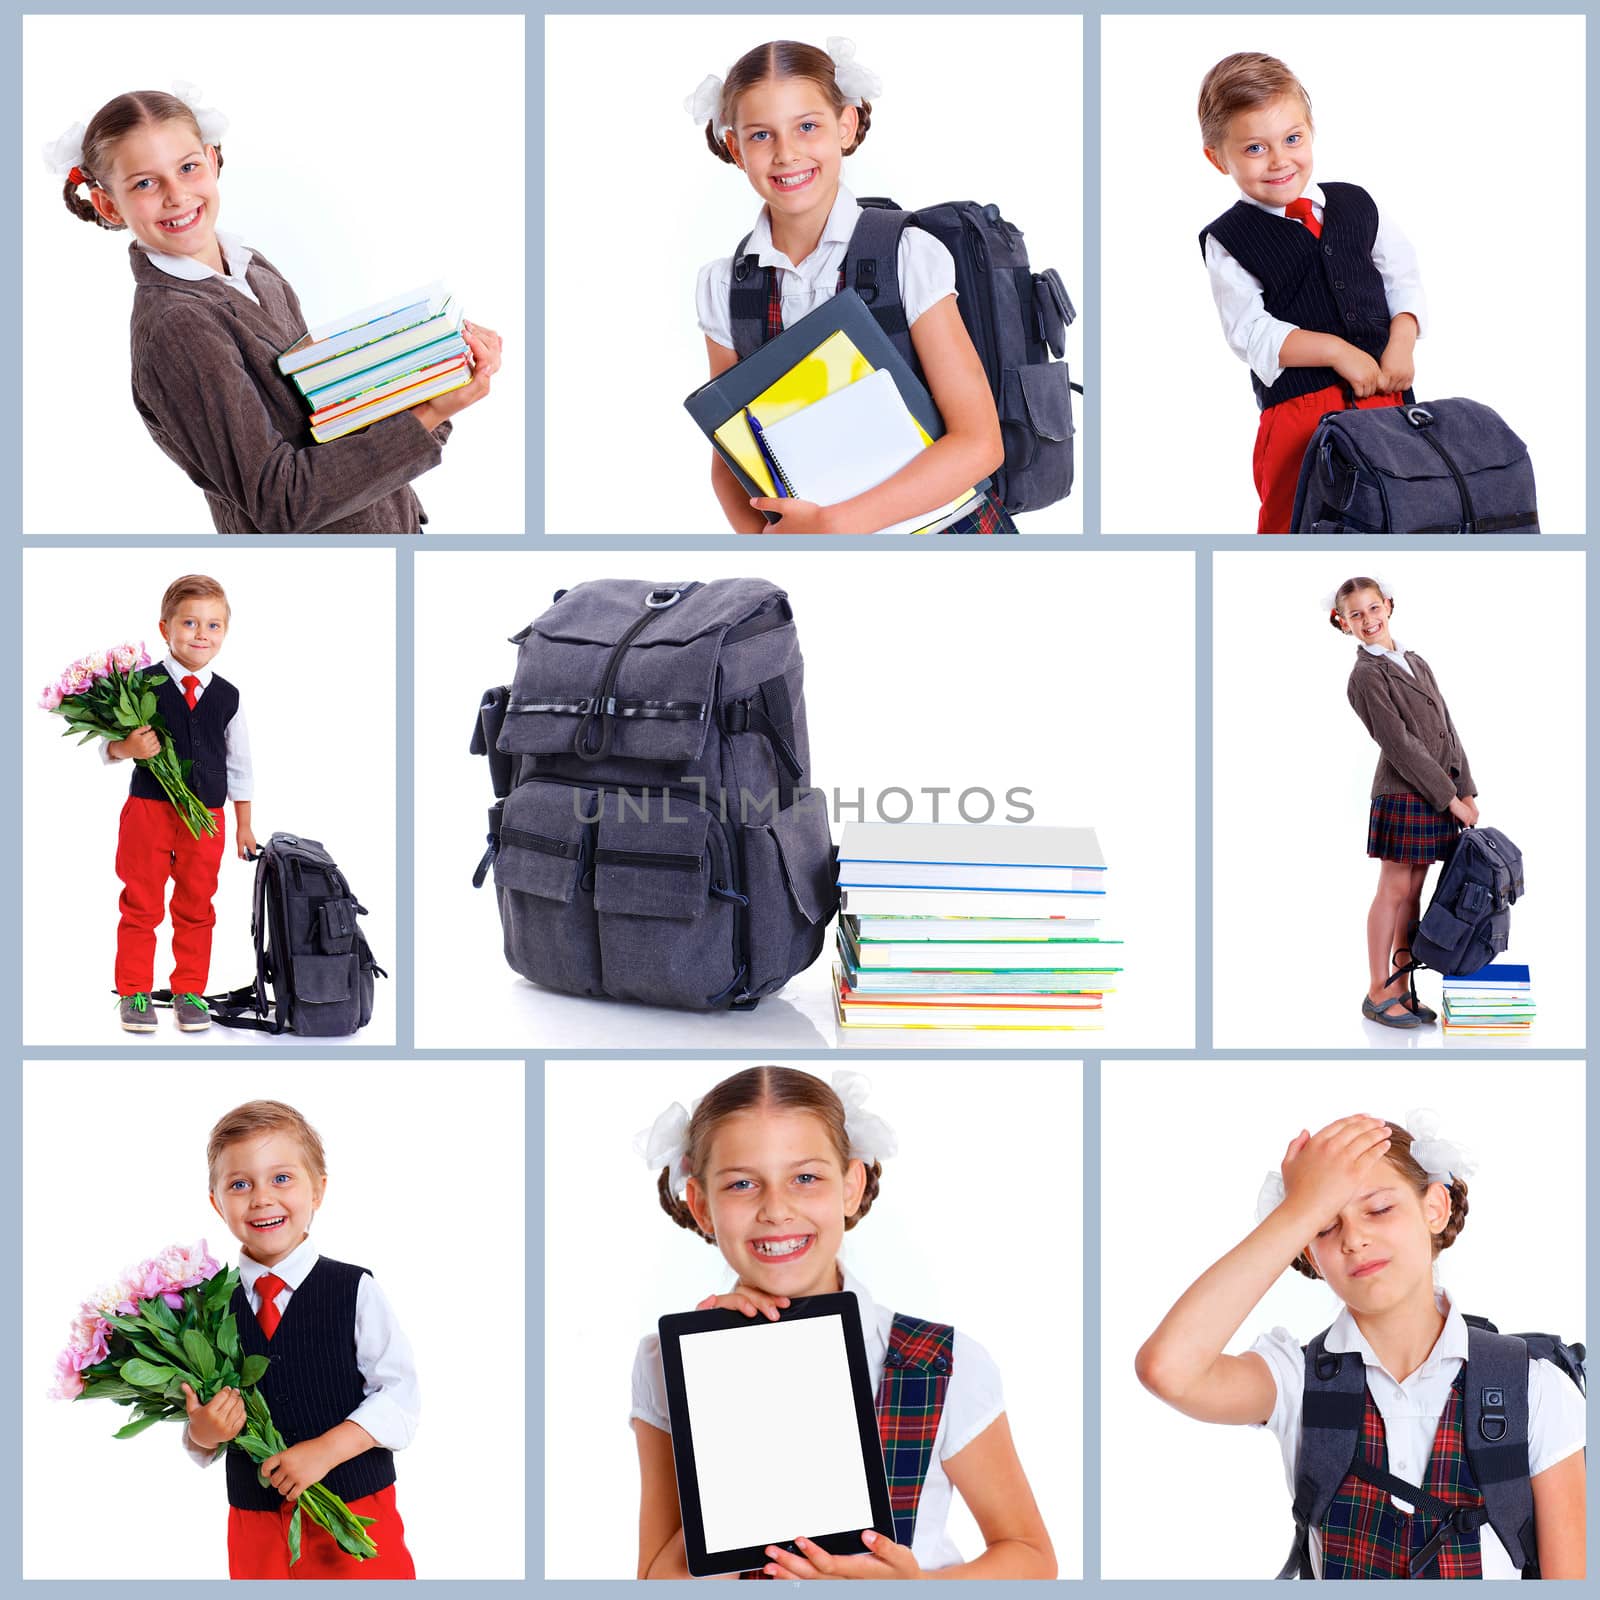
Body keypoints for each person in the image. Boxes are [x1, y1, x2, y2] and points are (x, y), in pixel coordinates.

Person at [629, 1066, 1056, 1578]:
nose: (776, 1209)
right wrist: (716, 1390)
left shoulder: (937, 1362)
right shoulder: (663, 1363)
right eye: (742, 1184)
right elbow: (656, 1579)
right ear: (701, 1205)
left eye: (805, 1178)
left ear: (851, 1187)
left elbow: (1029, 1555)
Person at [1136, 1113, 1586, 1578]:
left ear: (1434, 1208)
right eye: (1326, 1227)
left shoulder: (1533, 1390)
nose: (1354, 1238)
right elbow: (1169, 1369)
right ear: (1308, 1250)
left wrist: (1313, 1210)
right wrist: (1300, 1210)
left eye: (1378, 1209)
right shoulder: (1296, 1382)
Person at [48, 86, 502, 533]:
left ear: (212, 160)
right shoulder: (176, 326)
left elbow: (329, 408)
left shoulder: (253, 268)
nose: (176, 195)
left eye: (187, 167)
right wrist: (429, 415)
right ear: (109, 205)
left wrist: (435, 365)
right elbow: (280, 502)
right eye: (145, 182)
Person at [691, 39, 1008, 534]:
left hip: (955, 531)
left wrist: (835, 526)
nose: (786, 153)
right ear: (734, 147)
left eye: (807, 126)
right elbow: (729, 461)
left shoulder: (906, 255)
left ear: (847, 124)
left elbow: (980, 443)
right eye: (760, 136)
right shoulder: (723, 287)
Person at [183, 1099, 420, 1578]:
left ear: (318, 1190)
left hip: (355, 1517)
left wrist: (327, 1449)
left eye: (282, 1178)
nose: (262, 1197)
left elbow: (399, 1395)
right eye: (240, 1184)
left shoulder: (355, 1290)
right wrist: (201, 1434)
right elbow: (194, 1403)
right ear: (216, 1202)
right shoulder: (206, 1307)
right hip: (257, 1524)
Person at [1197, 53, 1425, 534]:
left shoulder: (1355, 203)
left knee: (1401, 512)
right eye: (1255, 148)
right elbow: (1250, 333)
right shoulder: (1229, 237)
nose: (1280, 160)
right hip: (1301, 414)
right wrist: (1336, 351)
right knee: (1296, 522)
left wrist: (1401, 339)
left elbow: (1402, 276)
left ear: (1311, 131)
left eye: (1292, 139)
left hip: (1387, 396)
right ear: (1218, 158)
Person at [107, 574, 254, 1033]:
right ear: (165, 629)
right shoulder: (140, 685)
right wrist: (127, 749)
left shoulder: (228, 697)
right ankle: (134, 991)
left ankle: (189, 990)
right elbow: (108, 745)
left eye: (213, 625)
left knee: (197, 905)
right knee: (141, 904)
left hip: (206, 819)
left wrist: (243, 825)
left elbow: (240, 765)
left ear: (225, 632)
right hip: (148, 812)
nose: (200, 634)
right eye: (189, 623)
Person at [1330, 575, 1478, 1028]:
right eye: (1356, 614)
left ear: (1389, 606)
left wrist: (1467, 786)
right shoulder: (1366, 674)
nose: (1368, 620)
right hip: (1404, 794)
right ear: (1343, 623)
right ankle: (1378, 991)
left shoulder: (1415, 661)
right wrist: (1450, 799)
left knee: (1413, 895)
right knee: (1392, 891)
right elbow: (1400, 744)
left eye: (1373, 608)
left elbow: (1446, 726)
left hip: (1437, 792)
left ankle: (1402, 985)